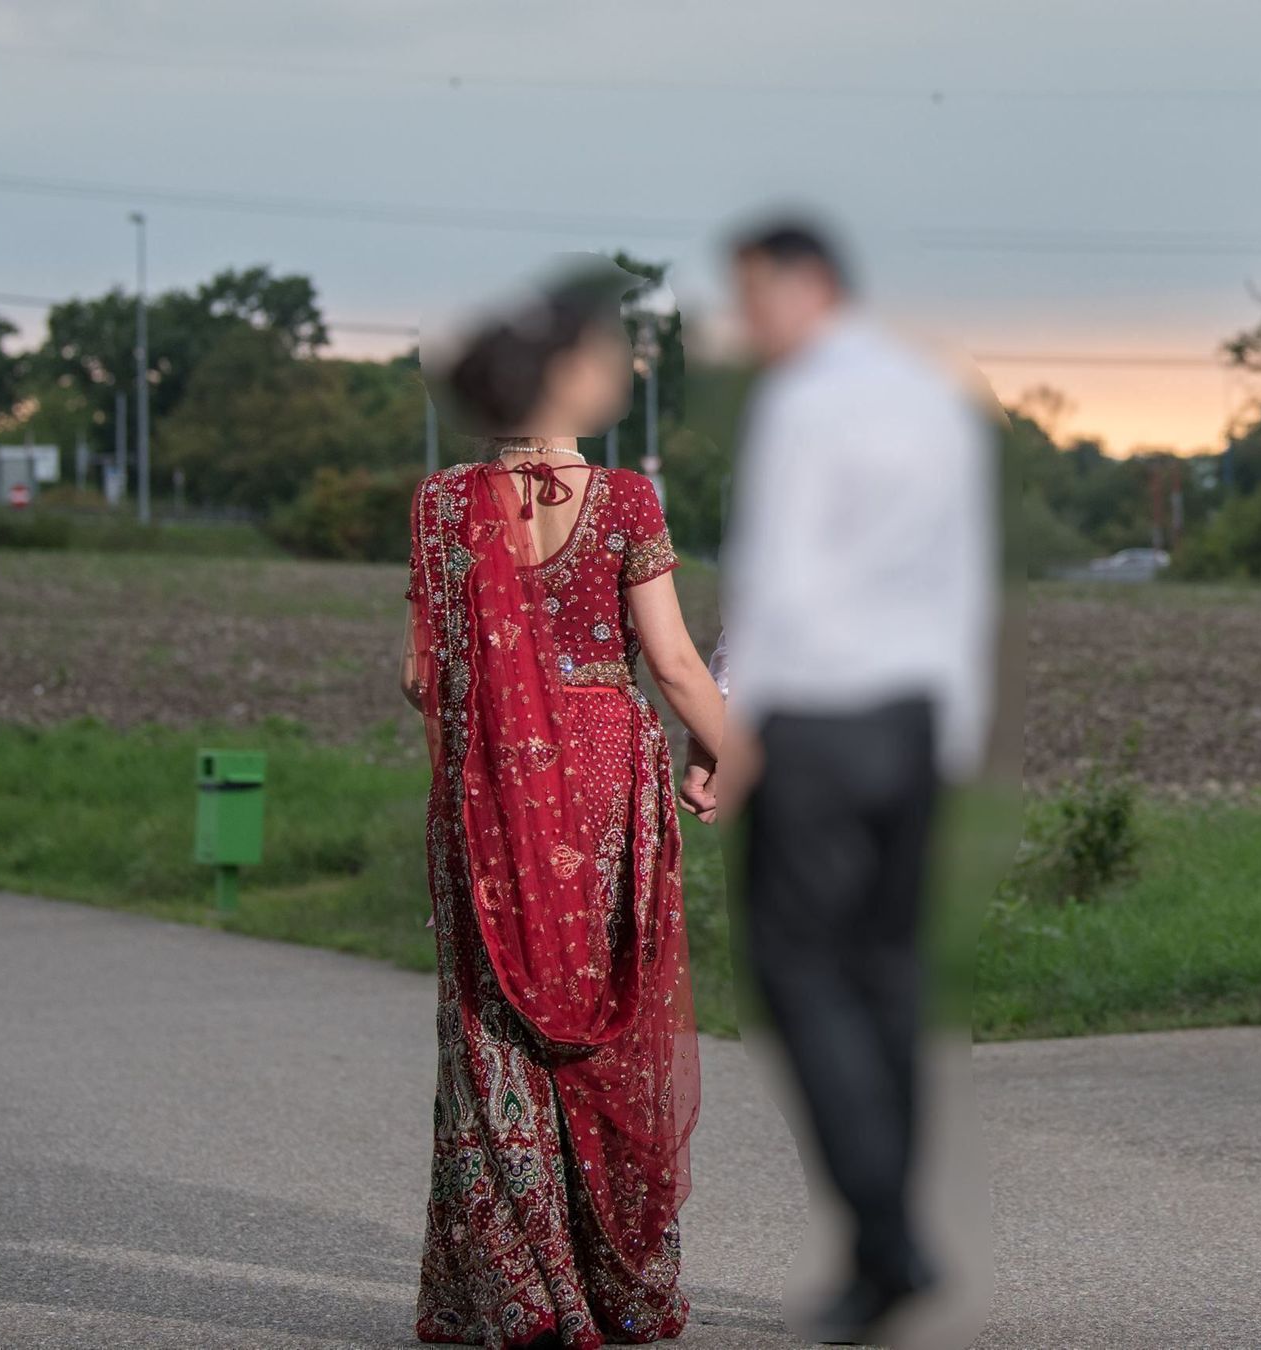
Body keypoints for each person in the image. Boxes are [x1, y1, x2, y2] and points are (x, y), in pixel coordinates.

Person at [400, 260, 725, 1350]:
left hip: (488, 786)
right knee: (608, 1017)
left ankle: (520, 1289)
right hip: (602, 776)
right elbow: (672, 664)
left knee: (494, 1023)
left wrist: (498, 709)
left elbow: (419, 676)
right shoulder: (625, 500)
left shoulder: (440, 505)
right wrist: (735, 753)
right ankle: (619, 1286)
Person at [684, 221, 998, 1344]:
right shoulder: (933, 392)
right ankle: (882, 1252)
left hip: (814, 723)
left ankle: (890, 1235)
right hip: (912, 722)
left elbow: (777, 581)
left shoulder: (803, 400)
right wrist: (954, 729)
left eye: (752, 297)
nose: (745, 323)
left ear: (807, 283)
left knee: (797, 975)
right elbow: (962, 573)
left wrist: (732, 733)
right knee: (887, 978)